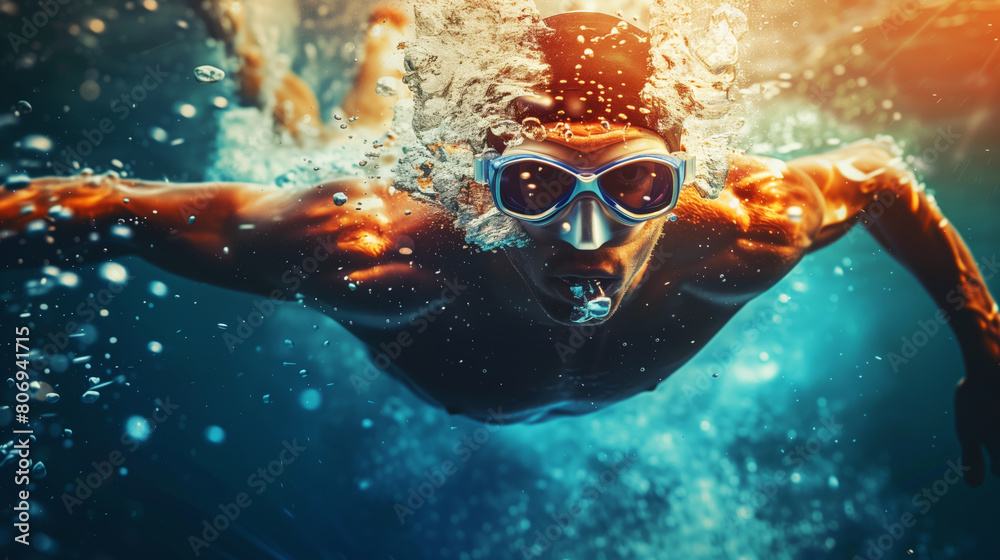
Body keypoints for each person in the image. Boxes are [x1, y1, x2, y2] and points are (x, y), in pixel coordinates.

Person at [2, 7, 997, 487]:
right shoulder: (371, 249)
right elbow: (92, 204)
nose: (588, 233)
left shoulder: (736, 225)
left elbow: (878, 175)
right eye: (534, 188)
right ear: (480, 188)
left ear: (682, 177)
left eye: (637, 186)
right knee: (301, 136)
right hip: (387, 171)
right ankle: (352, 38)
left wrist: (984, 340)